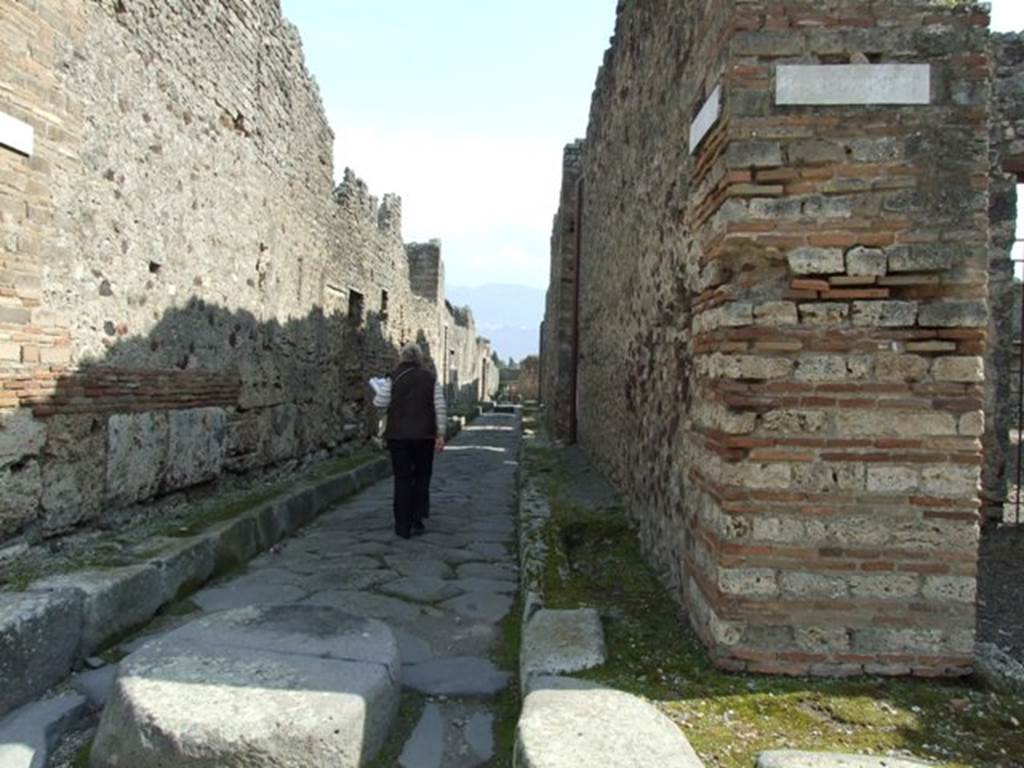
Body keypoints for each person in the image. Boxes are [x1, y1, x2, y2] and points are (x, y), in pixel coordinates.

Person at [373, 343, 446, 538]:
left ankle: (402, 525)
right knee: (422, 477)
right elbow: (439, 407)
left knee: (402, 479)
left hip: (398, 436)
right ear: (420, 358)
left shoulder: (394, 377)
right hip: (424, 436)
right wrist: (440, 433)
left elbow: (379, 402)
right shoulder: (431, 378)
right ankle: (417, 519)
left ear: (402, 357)